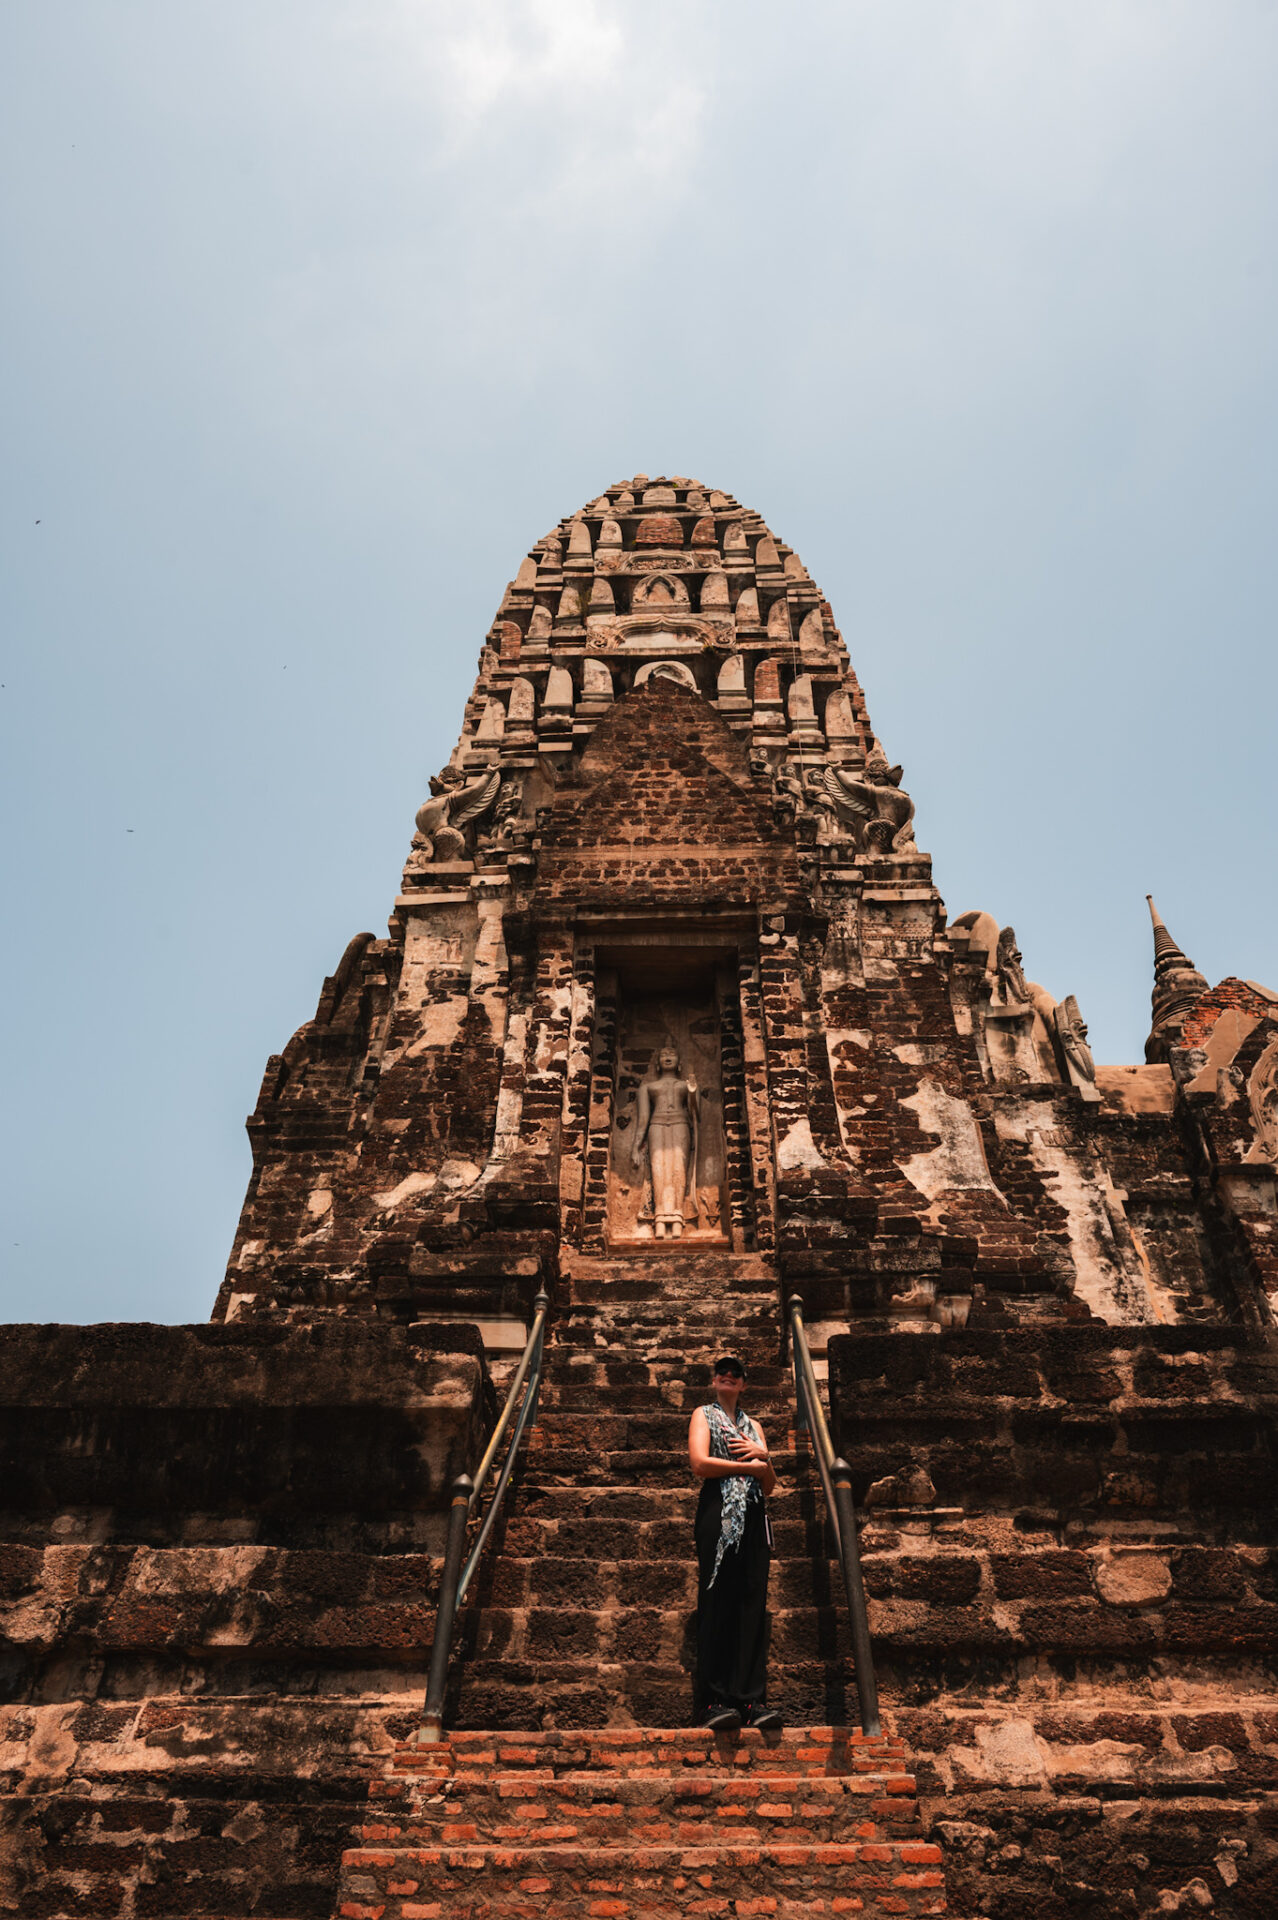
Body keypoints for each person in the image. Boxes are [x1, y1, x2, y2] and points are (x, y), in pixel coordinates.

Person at [688, 1354, 781, 1731]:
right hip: (718, 1514)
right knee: (718, 1600)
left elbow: (769, 1484)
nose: (727, 1376)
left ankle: (750, 1700)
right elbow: (700, 1463)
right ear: (714, 1380)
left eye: (735, 1374)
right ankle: (714, 1700)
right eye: (721, 1371)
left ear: (744, 1384)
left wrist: (766, 1458)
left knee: (751, 1605)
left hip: (755, 1516)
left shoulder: (754, 1425)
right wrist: (749, 1466)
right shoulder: (703, 1414)